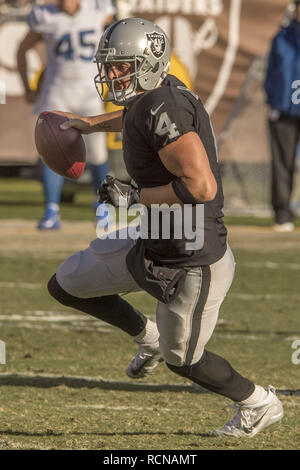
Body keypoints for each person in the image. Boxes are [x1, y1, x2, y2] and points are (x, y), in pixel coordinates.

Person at [47, 17, 283, 437]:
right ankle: (147, 335)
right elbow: (136, 116)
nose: (112, 74)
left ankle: (258, 402)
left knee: (185, 360)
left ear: (148, 64)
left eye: (121, 66)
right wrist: (89, 123)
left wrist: (135, 197)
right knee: (66, 284)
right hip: (154, 238)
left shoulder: (164, 105)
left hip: (191, 257)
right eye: (110, 65)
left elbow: (202, 185)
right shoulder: (156, 95)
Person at [17, 0, 115, 229]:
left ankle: (102, 206)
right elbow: (22, 49)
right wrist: (26, 88)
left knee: (98, 153)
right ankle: (52, 209)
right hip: (57, 91)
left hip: (91, 92)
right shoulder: (44, 15)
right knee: (51, 151)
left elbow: (115, 33)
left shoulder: (98, 9)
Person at [264, 0, 300, 232]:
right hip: (285, 110)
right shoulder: (282, 36)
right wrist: (273, 103)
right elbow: (272, 73)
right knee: (283, 162)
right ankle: (282, 213)